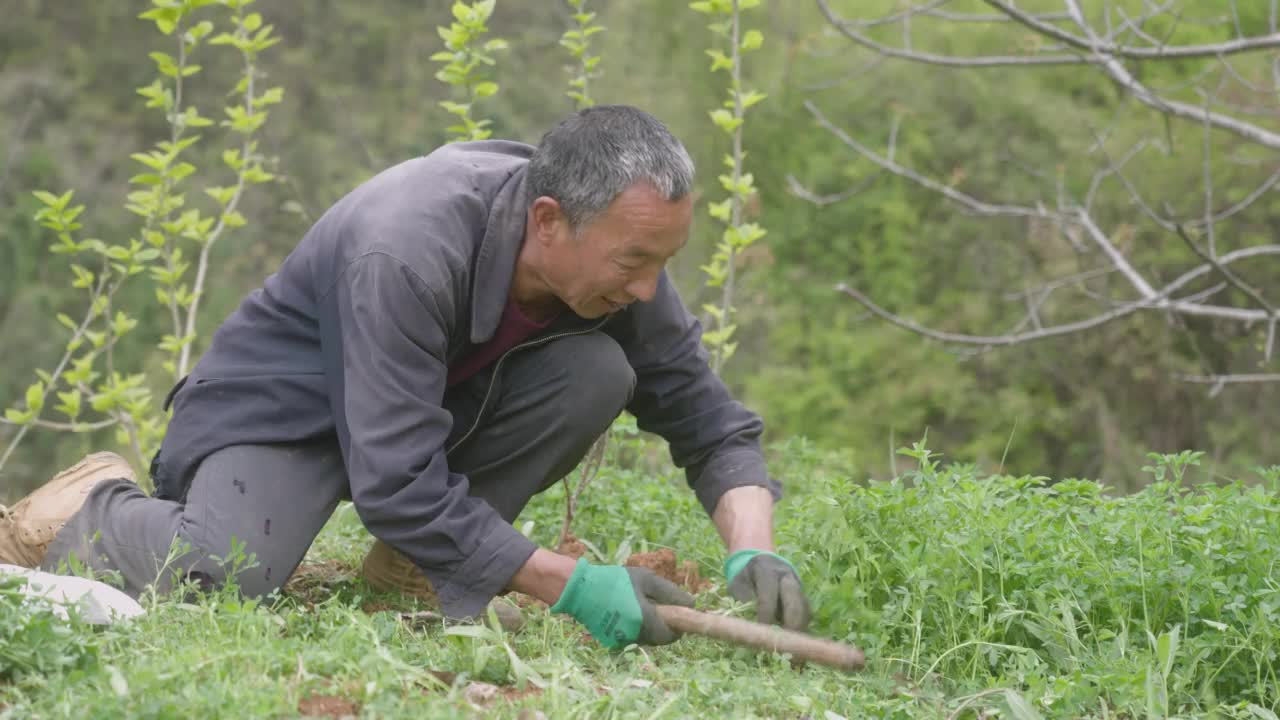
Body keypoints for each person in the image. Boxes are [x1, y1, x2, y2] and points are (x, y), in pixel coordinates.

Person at [0, 105, 810, 648]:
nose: (646, 287)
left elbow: (707, 418)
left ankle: (422, 566)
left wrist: (753, 552)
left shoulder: (620, 263)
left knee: (599, 369)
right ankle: (84, 505)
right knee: (227, 575)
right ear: (548, 221)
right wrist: (569, 584)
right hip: (286, 413)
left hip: (416, 413)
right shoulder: (408, 245)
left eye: (661, 261)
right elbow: (392, 479)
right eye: (635, 259)